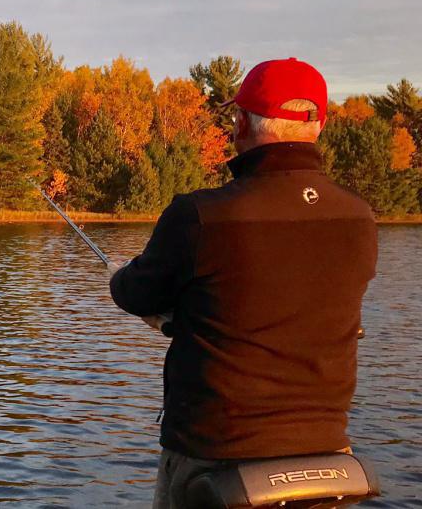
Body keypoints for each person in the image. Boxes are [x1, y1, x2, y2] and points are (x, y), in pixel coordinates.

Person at [107, 57, 378, 509]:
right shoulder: (360, 217)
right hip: (328, 457)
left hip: (215, 456)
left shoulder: (202, 216)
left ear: (242, 122)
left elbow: (134, 294)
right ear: (321, 124)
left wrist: (118, 274)